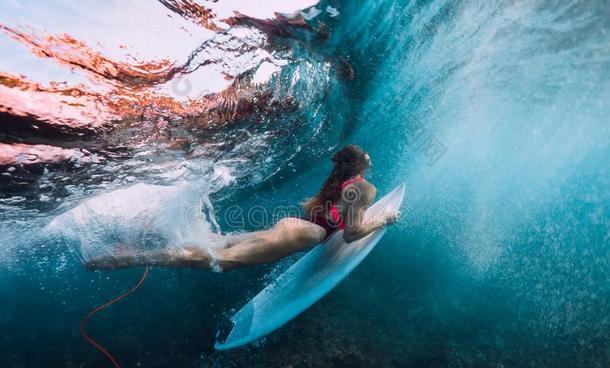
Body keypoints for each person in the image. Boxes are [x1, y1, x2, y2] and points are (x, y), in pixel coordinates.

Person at [86, 145, 399, 272]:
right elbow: (351, 234)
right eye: (368, 158)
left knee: (219, 242)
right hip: (299, 235)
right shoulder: (364, 187)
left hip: (295, 227)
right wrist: (384, 219)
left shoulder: (339, 181)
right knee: (219, 260)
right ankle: (122, 259)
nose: (371, 160)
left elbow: (336, 219)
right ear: (361, 165)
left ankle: (141, 236)